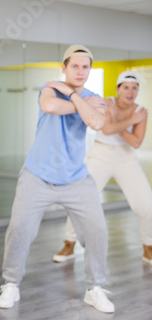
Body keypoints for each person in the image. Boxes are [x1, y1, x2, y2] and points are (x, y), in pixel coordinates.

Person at [0, 45, 115, 313]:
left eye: (86, 67)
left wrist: (73, 95)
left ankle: (95, 289)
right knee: (19, 230)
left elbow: (97, 123)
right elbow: (50, 106)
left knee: (97, 232)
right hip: (37, 176)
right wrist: (81, 104)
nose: (80, 71)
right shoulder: (48, 88)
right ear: (64, 67)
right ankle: (11, 283)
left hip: (76, 180)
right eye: (75, 66)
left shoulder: (92, 96)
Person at [53, 70, 152, 266]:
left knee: (147, 204)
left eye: (134, 88)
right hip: (100, 155)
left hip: (126, 158)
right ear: (117, 89)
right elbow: (106, 129)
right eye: (126, 88)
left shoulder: (141, 111)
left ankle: (148, 247)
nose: (130, 92)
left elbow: (135, 142)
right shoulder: (107, 102)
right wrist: (130, 122)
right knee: (81, 198)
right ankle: (69, 243)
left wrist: (120, 122)